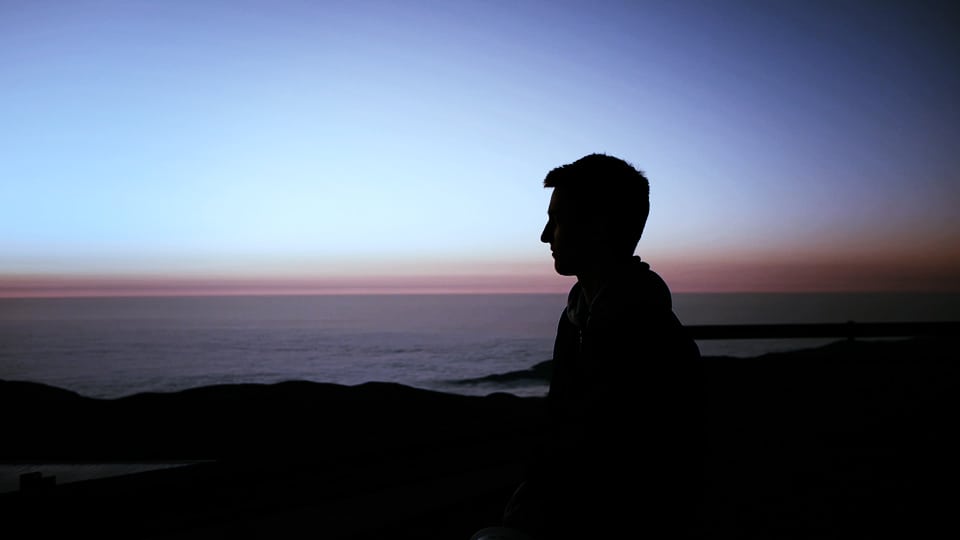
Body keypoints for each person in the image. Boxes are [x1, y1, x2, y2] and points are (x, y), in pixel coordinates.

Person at [499, 153, 704, 539]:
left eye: (557, 220)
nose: (545, 235)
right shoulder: (576, 317)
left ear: (598, 227)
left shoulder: (647, 337)